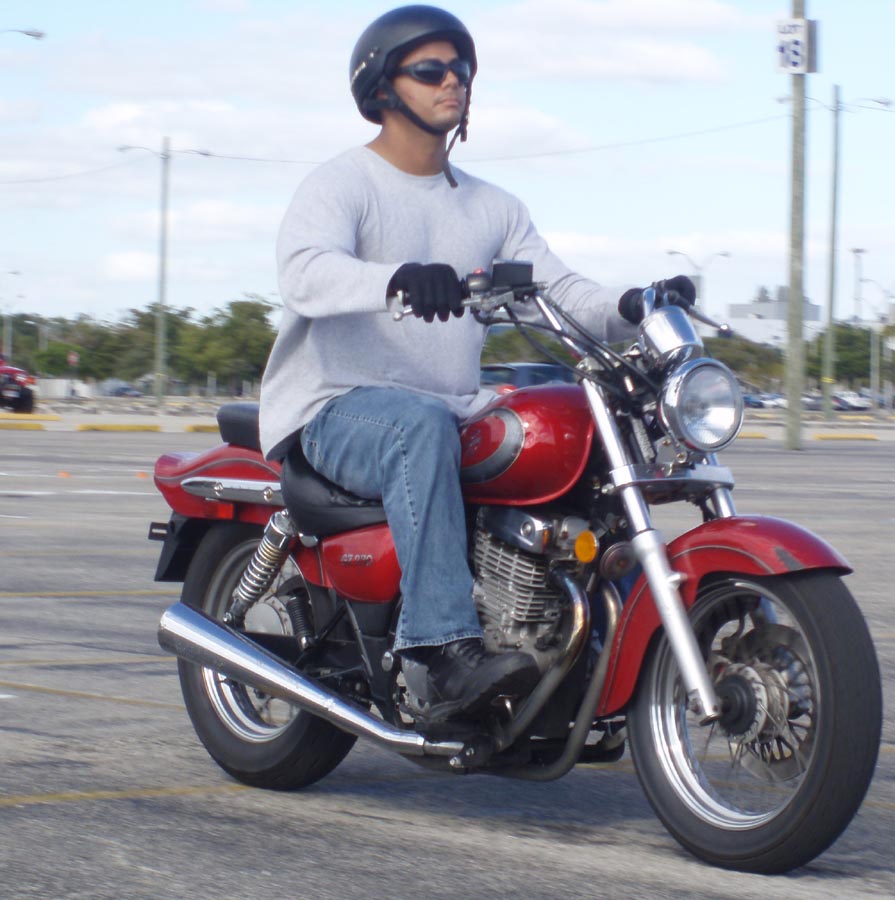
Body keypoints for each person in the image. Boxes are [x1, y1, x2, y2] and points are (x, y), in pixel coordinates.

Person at [258, 4, 695, 724]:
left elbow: (561, 289)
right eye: (431, 70)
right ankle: (438, 651)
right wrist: (398, 280)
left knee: (571, 425)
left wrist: (636, 304)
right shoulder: (343, 183)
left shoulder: (493, 207)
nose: (452, 82)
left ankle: (562, 634)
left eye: (461, 70)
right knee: (418, 426)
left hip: (446, 406)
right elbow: (304, 273)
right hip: (334, 405)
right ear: (382, 86)